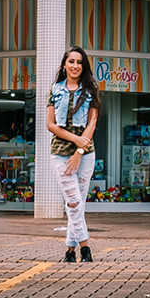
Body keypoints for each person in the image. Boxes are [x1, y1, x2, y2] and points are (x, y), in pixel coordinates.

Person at [46, 46, 101, 262]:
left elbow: (92, 122)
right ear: (64, 65)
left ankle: (70, 250)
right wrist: (75, 140)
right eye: (71, 61)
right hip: (60, 153)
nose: (75, 66)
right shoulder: (55, 90)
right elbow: (51, 125)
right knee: (74, 201)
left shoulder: (91, 90)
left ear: (83, 66)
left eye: (79, 62)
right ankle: (85, 247)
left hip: (86, 154)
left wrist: (80, 150)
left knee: (77, 202)